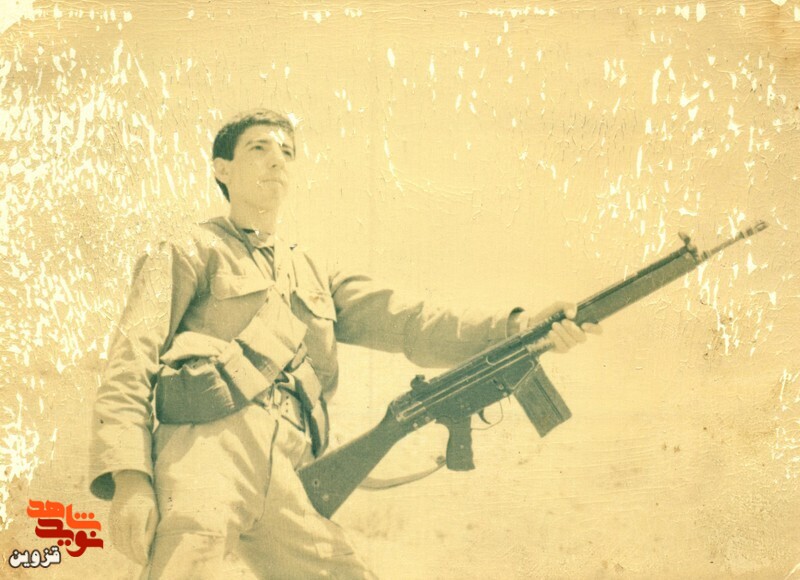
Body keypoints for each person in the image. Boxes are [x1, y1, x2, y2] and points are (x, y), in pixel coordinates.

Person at [89, 109, 600, 579]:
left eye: (286, 152)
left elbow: (413, 322)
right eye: (258, 149)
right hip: (209, 447)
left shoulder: (312, 271)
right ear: (222, 169)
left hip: (290, 466)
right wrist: (130, 476)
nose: (276, 161)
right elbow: (131, 357)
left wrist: (519, 326)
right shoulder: (189, 249)